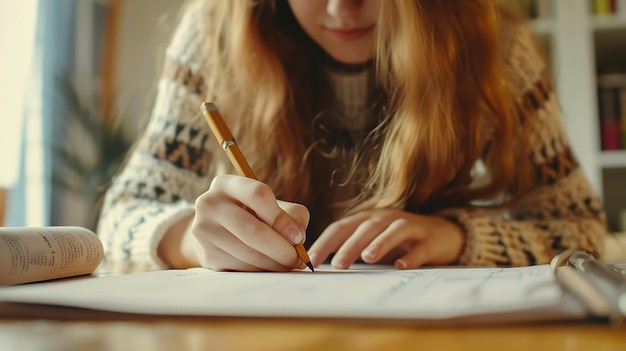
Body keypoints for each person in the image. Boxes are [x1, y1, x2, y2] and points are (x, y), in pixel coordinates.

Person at [97, 0, 606, 273]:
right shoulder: (213, 37)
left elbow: (580, 230)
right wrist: (192, 240)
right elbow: (122, 215)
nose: (344, 8)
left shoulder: (492, 48)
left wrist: (458, 238)